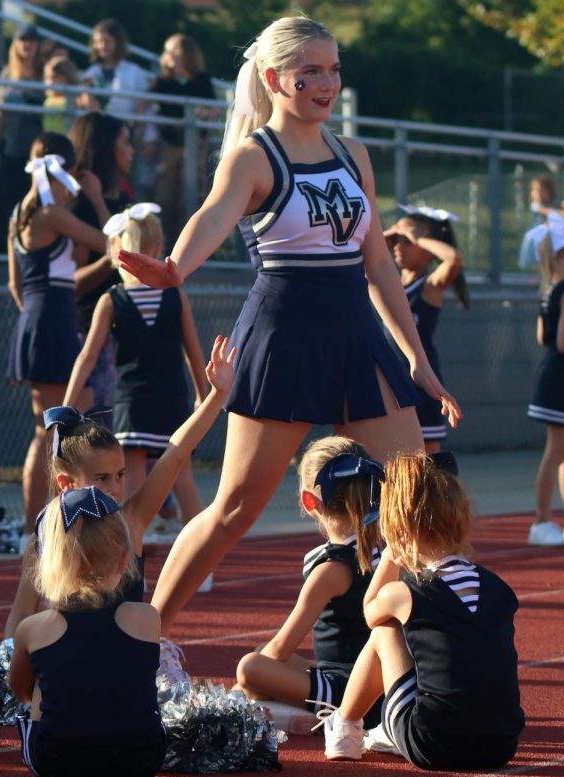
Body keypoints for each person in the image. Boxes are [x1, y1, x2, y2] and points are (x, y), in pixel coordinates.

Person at [117, 15, 460, 640]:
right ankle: (143, 635)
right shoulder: (254, 156)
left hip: (357, 335)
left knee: (415, 501)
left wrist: (416, 357)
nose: (327, 83)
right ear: (274, 79)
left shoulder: (354, 154)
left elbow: (377, 261)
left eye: (333, 69)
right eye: (310, 73)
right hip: (283, 336)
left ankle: (391, 658)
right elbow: (212, 215)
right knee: (233, 511)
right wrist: (173, 268)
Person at [0, 335, 236, 689]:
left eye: (120, 475)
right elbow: (20, 616)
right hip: (64, 662)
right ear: (66, 482)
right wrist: (10, 667)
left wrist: (217, 396)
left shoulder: (130, 521)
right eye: (101, 478)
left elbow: (174, 453)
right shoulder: (48, 534)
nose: (116, 487)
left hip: (115, 662)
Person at [321, 453, 524, 770]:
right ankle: (388, 730)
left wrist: (393, 552)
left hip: (432, 742)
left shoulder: (403, 594)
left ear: (397, 530)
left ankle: (344, 726)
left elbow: (370, 611)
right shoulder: (500, 589)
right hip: (502, 744)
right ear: (463, 516)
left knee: (385, 628)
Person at [8, 486, 166, 777]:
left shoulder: (32, 628)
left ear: (48, 563)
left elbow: (21, 691)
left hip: (58, 761)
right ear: (124, 560)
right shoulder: (148, 619)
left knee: (47, 683)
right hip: (141, 760)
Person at [234, 436, 383, 734]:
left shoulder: (331, 569)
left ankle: (308, 716)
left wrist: (241, 686)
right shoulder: (378, 550)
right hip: (378, 686)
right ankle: (289, 708)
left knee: (251, 667)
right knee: (261, 656)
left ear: (309, 501)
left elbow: (280, 649)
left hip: (351, 692)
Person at [65, 205, 208, 511]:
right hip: (173, 395)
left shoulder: (112, 300)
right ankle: (204, 554)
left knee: (131, 480)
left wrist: (67, 403)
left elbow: (87, 357)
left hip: (133, 399)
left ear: (119, 250)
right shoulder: (174, 295)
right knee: (183, 477)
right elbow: (193, 354)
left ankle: (132, 552)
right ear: (158, 247)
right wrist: (203, 397)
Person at [8, 132, 110, 541]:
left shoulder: (20, 214)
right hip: (51, 321)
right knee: (63, 427)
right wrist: (98, 198)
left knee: (54, 428)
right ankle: (48, 525)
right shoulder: (52, 215)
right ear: (66, 171)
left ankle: (46, 522)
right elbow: (114, 239)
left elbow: (17, 286)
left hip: (39, 318)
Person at [384, 205, 469, 452]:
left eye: (407, 242)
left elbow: (453, 259)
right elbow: (361, 253)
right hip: (388, 382)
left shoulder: (429, 286)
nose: (399, 246)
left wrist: (418, 236)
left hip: (420, 383)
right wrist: (390, 234)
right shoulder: (384, 284)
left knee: (430, 461)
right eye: (396, 241)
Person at [69, 112, 134, 411]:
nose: (131, 151)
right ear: (107, 149)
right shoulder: (80, 207)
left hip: (125, 334)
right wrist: (111, 260)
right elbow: (74, 282)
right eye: (124, 143)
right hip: (91, 337)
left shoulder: (124, 203)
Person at [142, 34, 216, 246]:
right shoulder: (162, 81)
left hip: (195, 146)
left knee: (191, 195)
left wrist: (203, 113)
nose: (170, 56)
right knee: (164, 195)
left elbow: (213, 110)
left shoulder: (201, 80)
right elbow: (142, 104)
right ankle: (164, 245)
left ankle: (192, 247)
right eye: (167, 51)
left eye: (175, 51)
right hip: (169, 145)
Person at [526, 213, 564, 547]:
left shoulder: (549, 289)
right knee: (555, 452)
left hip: (551, 371)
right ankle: (541, 520)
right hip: (560, 375)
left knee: (560, 452)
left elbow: (543, 337)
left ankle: (549, 519)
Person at [0, 24, 45, 219]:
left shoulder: (45, 74)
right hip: (12, 147)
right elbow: (1, 114)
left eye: (32, 40)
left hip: (37, 150)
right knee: (10, 203)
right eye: (23, 40)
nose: (27, 45)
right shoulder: (7, 74)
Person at [81, 20, 150, 122]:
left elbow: (143, 106)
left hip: (126, 128)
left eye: (107, 41)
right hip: (99, 128)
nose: (102, 46)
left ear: (118, 43)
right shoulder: (90, 73)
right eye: (98, 42)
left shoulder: (134, 71)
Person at [41, 56, 95, 135]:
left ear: (68, 77)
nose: (50, 82)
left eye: (55, 77)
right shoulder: (47, 100)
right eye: (47, 78)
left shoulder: (76, 98)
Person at [519, 177, 564, 270]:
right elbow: (551, 212)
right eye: (535, 190)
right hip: (538, 240)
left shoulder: (554, 203)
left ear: (549, 191)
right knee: (538, 261)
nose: (537, 193)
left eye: (541, 190)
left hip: (550, 241)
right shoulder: (536, 205)